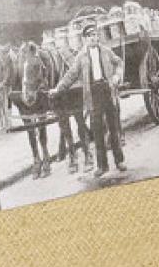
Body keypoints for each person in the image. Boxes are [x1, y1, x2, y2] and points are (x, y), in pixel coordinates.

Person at [49, 24, 125, 178]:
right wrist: (58, 89)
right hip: (93, 95)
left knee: (113, 127)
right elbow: (71, 75)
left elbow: (119, 63)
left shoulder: (106, 51)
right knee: (97, 131)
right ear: (84, 39)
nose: (93, 38)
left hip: (107, 91)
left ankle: (119, 161)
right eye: (90, 36)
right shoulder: (81, 56)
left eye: (95, 35)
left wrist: (117, 76)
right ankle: (102, 166)